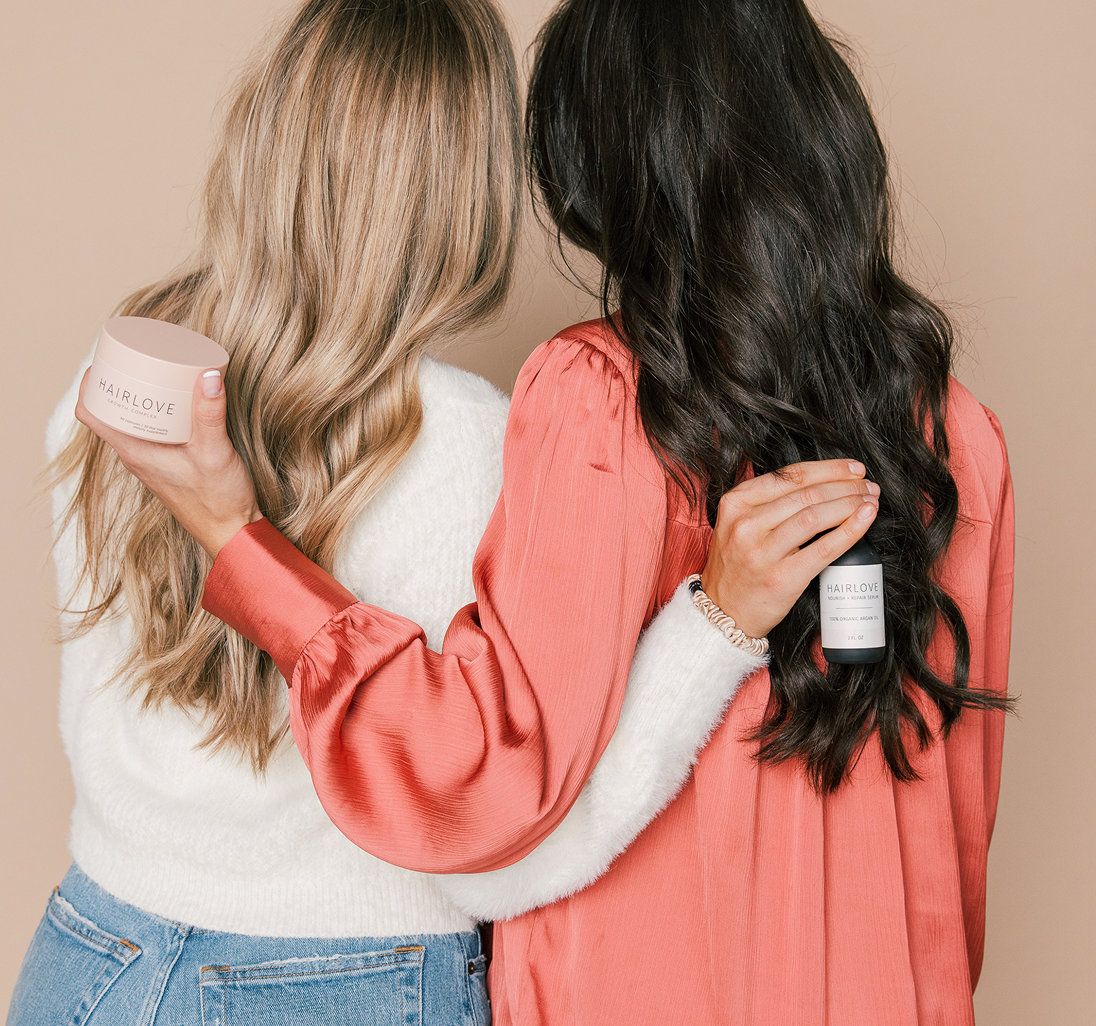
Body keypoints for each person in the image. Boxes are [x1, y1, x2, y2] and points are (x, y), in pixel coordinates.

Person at [66, 2, 1006, 1026]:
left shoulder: (593, 402)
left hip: (110, 947)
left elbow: (483, 807)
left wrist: (241, 546)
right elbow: (956, 818)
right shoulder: (958, 438)